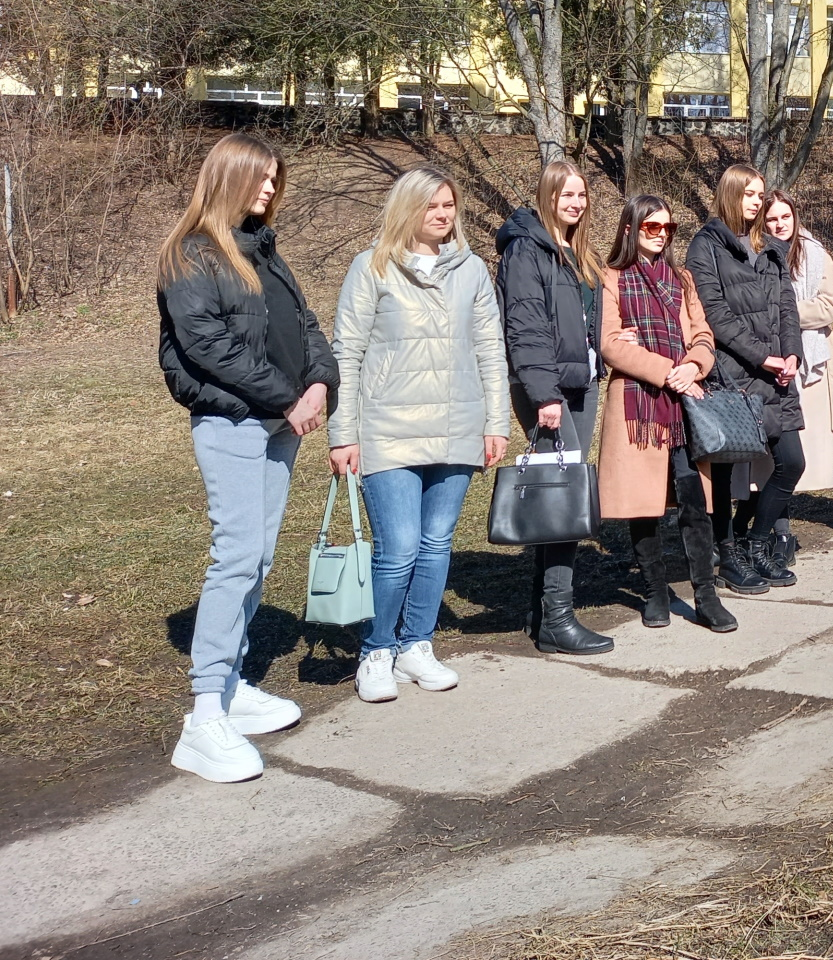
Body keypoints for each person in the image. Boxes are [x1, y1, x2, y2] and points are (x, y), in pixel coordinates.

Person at [157, 133, 338, 782]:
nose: (270, 187)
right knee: (235, 554)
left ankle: (231, 686)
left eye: (274, 178)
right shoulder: (193, 254)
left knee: (259, 555)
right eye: (259, 177)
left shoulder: (264, 250)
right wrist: (289, 395)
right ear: (228, 178)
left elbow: (307, 325)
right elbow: (208, 349)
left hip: (280, 425)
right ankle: (205, 715)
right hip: (232, 423)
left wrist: (320, 383)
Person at [329, 167, 510, 702]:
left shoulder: (472, 270)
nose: (443, 213)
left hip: (457, 428)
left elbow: (489, 352)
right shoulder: (372, 268)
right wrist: (343, 434)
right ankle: (376, 650)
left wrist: (495, 423)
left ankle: (416, 646)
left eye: (450, 205)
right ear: (407, 208)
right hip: (388, 430)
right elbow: (347, 353)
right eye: (432, 205)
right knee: (399, 547)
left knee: (435, 545)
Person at [597, 194, 737, 633]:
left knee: (695, 502)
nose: (660, 235)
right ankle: (655, 592)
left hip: (685, 404)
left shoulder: (684, 278)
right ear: (629, 229)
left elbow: (703, 334)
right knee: (645, 505)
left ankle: (706, 594)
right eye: (650, 227)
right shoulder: (610, 278)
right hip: (638, 407)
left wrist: (693, 366)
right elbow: (610, 344)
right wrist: (666, 371)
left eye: (667, 228)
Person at [497, 158, 613, 655]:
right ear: (547, 195)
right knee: (565, 498)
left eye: (581, 195)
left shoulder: (577, 253)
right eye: (566, 194)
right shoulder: (527, 250)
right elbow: (524, 326)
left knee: (559, 491)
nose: (575, 202)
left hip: (580, 383)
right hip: (547, 389)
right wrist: (543, 394)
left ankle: (541, 611)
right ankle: (559, 618)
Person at [686, 163, 807, 589]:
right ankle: (728, 556)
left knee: (792, 462)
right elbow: (713, 314)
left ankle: (756, 543)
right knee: (725, 469)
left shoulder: (770, 244)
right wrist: (761, 357)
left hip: (777, 375)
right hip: (734, 373)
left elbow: (787, 306)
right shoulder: (706, 246)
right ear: (732, 194)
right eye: (751, 194)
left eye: (761, 195)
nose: (758, 202)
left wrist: (790, 352)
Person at [764, 191, 833, 567]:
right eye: (771, 219)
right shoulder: (755, 255)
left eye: (785, 216)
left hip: (809, 366)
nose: (780, 224)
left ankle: (776, 531)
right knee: (772, 460)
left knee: (797, 459)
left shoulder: (814, 254)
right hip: (768, 364)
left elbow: (830, 306)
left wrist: (784, 310)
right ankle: (778, 532)